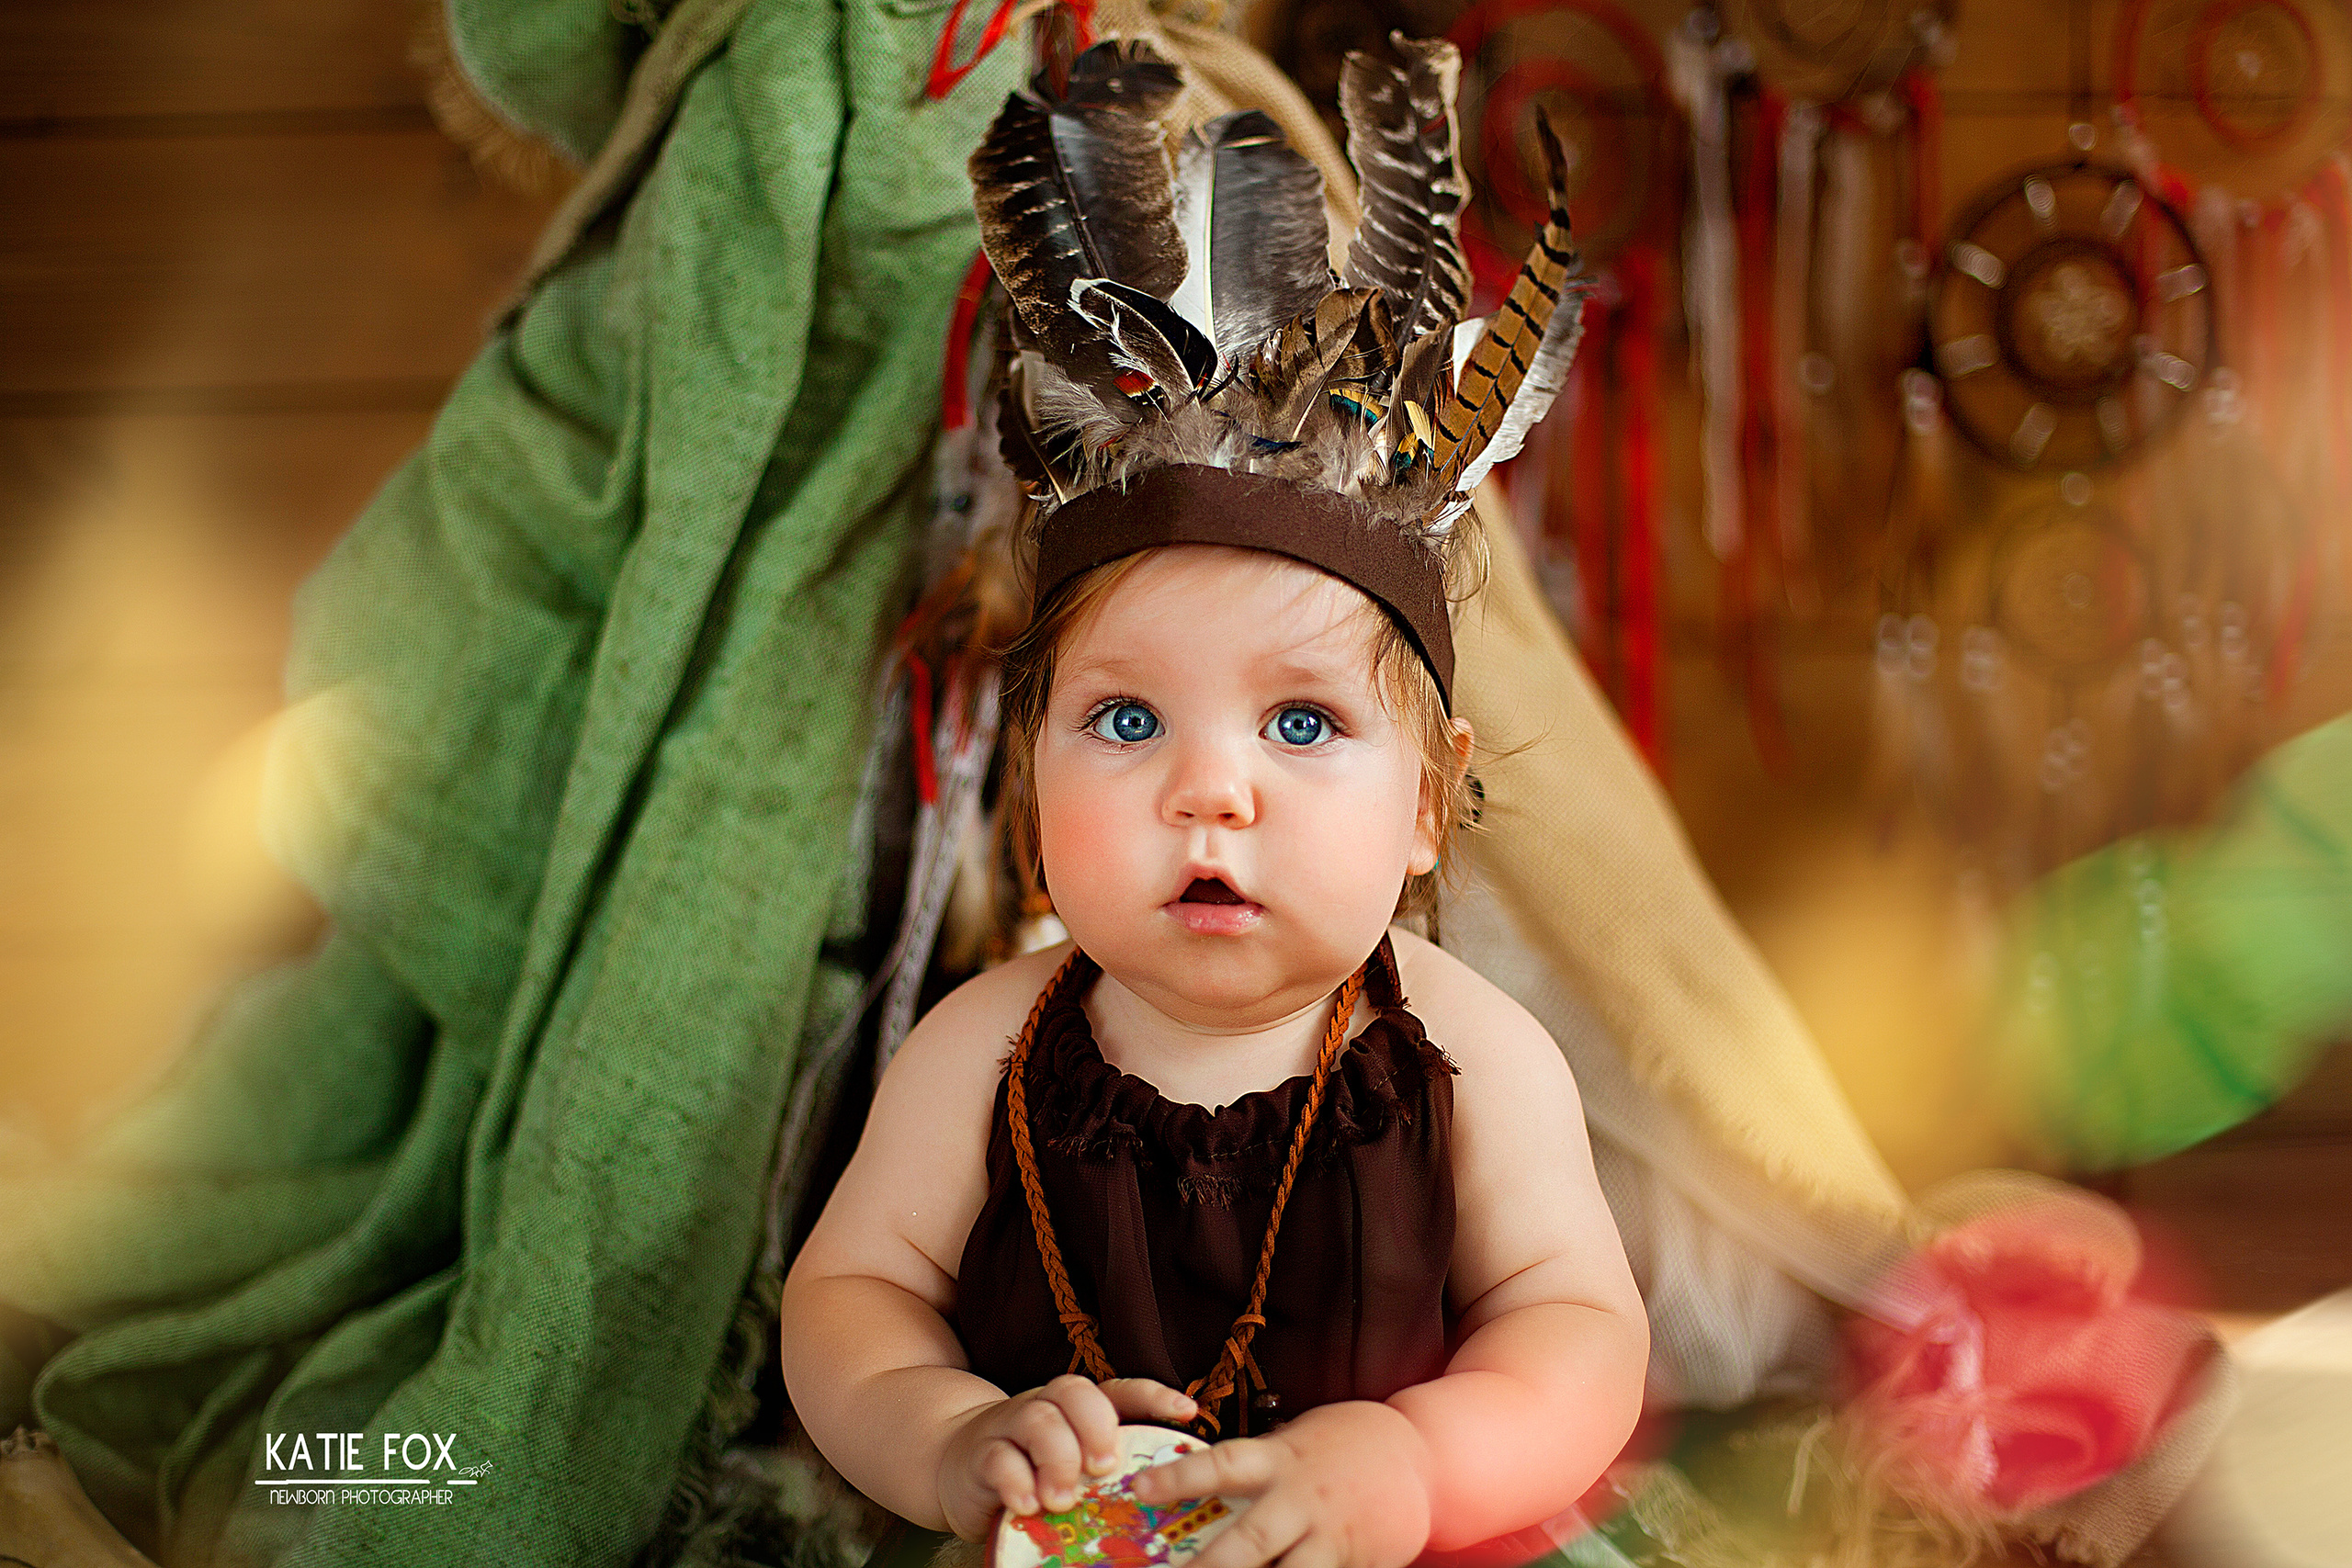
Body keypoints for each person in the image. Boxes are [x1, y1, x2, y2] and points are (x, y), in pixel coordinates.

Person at [779, 33, 1646, 1568]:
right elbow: (850, 1305)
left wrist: (1417, 1464)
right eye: (1124, 719)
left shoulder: (1467, 1059)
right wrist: (953, 1437)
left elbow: (1579, 1337)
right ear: (1030, 774)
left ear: (1432, 806)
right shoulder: (985, 1048)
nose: (1211, 793)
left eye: (1304, 723)